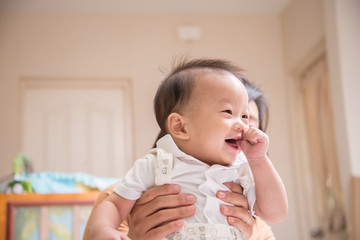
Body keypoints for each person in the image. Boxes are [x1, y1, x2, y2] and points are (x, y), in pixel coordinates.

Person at [89, 58, 288, 240]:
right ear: (180, 127)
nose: (244, 128)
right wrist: (103, 228)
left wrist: (259, 160)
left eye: (245, 117)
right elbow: (114, 204)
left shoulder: (242, 169)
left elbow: (276, 213)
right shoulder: (156, 165)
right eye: (228, 112)